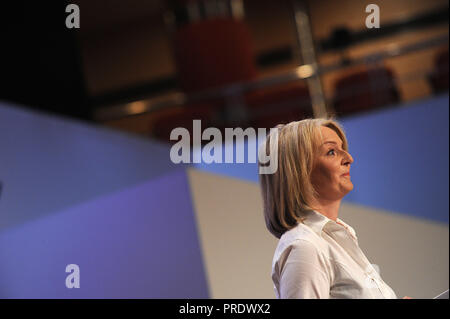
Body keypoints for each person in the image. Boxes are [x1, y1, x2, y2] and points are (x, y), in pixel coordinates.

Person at [258, 118, 407, 299]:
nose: (349, 159)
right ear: (299, 171)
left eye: (344, 149)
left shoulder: (339, 238)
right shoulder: (305, 247)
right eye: (331, 152)